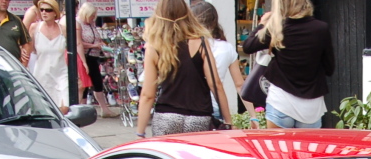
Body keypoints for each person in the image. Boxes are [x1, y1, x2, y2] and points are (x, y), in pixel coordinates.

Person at [135, 0, 234, 138]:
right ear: (187, 14)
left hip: (166, 115)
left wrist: (140, 132)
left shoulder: (154, 46)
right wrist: (228, 121)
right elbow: (215, 84)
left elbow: (148, 95)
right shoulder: (201, 43)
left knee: (168, 157)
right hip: (198, 115)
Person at [242, 0, 334, 130]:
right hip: (311, 107)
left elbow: (247, 46)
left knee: (277, 150)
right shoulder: (321, 29)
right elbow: (330, 69)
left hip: (281, 102)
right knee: (307, 150)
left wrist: (262, 24)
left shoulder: (277, 28)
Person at [191, 0, 250, 118]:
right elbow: (239, 85)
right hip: (215, 107)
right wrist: (253, 115)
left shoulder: (188, 46)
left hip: (189, 106)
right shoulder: (226, 48)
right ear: (214, 21)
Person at [30, 0, 69, 112]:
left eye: (48, 10)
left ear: (55, 13)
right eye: (41, 10)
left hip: (60, 74)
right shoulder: (35, 28)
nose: (44, 12)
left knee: (64, 108)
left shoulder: (63, 30)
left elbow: (71, 49)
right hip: (41, 75)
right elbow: (32, 53)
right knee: (45, 110)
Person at [77, 2, 110, 113]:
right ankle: (82, 107)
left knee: (97, 81)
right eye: (91, 15)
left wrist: (100, 43)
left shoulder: (91, 24)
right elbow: (78, 43)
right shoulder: (78, 24)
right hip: (85, 56)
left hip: (93, 56)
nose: (93, 18)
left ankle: (104, 108)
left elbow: (95, 37)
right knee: (84, 83)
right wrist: (94, 45)